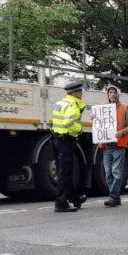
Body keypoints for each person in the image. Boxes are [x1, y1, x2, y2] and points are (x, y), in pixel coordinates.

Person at [50, 81, 88, 212]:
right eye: (80, 92)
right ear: (75, 93)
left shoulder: (61, 103)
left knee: (66, 171)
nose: (81, 94)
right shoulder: (73, 105)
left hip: (55, 138)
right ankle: (60, 203)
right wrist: (78, 129)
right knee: (65, 173)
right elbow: (67, 122)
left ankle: (74, 199)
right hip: (65, 140)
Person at [100, 85, 128, 207]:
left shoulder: (125, 108)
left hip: (119, 146)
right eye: (110, 93)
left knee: (116, 172)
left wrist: (122, 132)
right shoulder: (103, 110)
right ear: (108, 95)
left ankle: (113, 197)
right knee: (108, 173)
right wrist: (94, 118)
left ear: (118, 95)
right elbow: (99, 126)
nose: (112, 95)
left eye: (114, 93)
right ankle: (116, 197)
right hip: (107, 147)